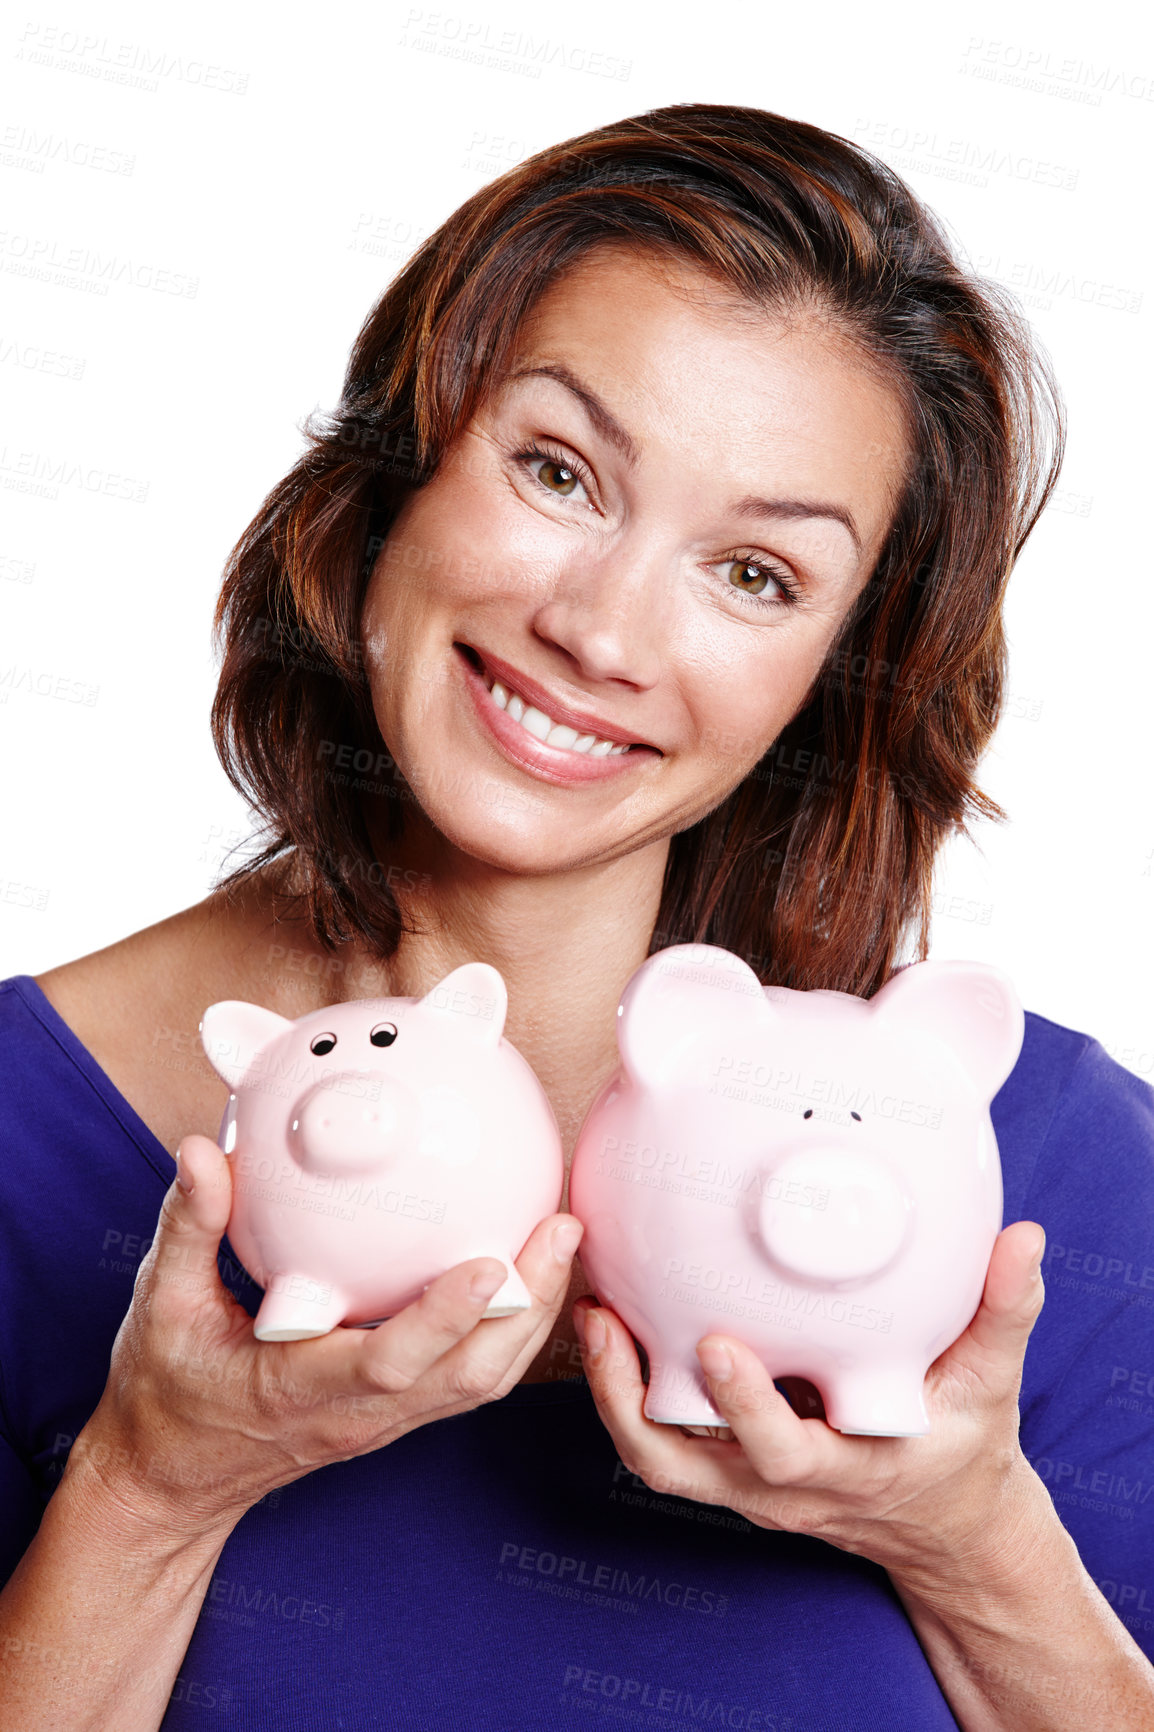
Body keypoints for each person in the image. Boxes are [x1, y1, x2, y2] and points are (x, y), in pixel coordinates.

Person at [1, 101, 1152, 1731]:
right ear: (391, 472)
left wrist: (967, 1545)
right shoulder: (19, 1152)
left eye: (753, 574)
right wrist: (151, 1485)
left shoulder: (1054, 1177)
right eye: (556, 470)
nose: (599, 631)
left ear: (833, 680)